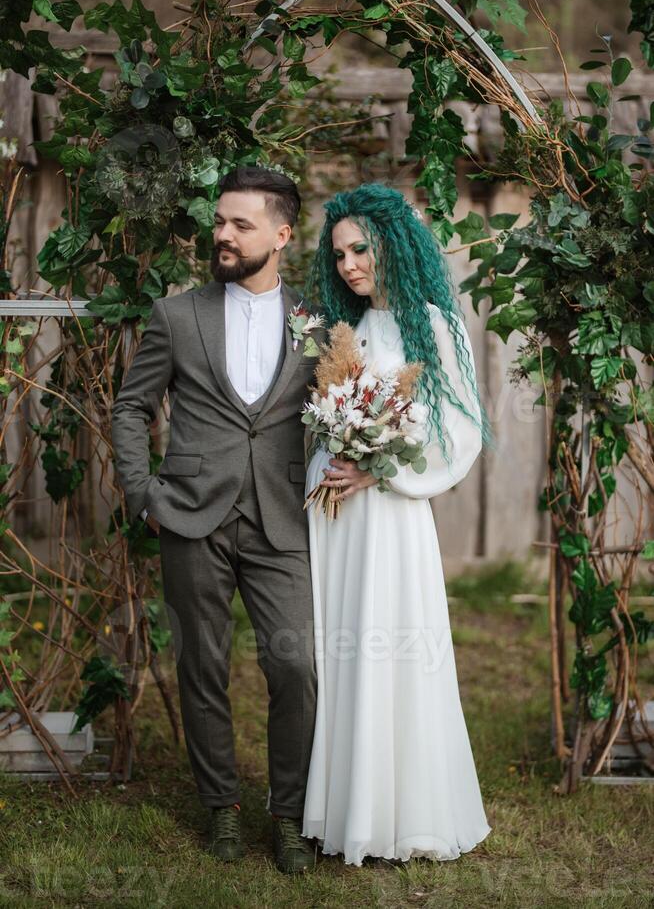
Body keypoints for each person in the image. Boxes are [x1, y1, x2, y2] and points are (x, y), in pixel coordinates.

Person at [111, 165, 326, 874]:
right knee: (202, 666)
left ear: (282, 234)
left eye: (241, 224)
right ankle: (223, 808)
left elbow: (338, 410)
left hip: (281, 521)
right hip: (191, 517)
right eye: (221, 221)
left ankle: (289, 817)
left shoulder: (317, 322)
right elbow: (131, 407)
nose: (223, 234)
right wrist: (143, 492)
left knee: (295, 666)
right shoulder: (178, 315)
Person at [300, 183, 494, 866]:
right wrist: (333, 451)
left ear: (393, 245)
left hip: (390, 516)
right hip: (339, 519)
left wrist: (377, 470)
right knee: (341, 649)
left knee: (390, 647)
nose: (350, 263)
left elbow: (461, 431)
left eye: (361, 248)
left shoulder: (432, 325)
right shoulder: (341, 331)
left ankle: (399, 811)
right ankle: (342, 806)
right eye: (340, 254)